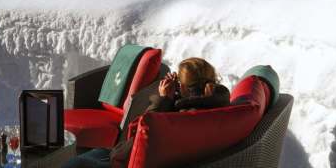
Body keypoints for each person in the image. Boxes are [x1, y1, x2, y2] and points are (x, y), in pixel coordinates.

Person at [63, 57, 230, 168]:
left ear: (183, 86)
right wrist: (174, 98)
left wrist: (163, 98)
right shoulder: (215, 106)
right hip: (131, 156)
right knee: (96, 152)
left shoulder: (183, 117)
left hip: (125, 161)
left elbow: (143, 127)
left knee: (75, 164)